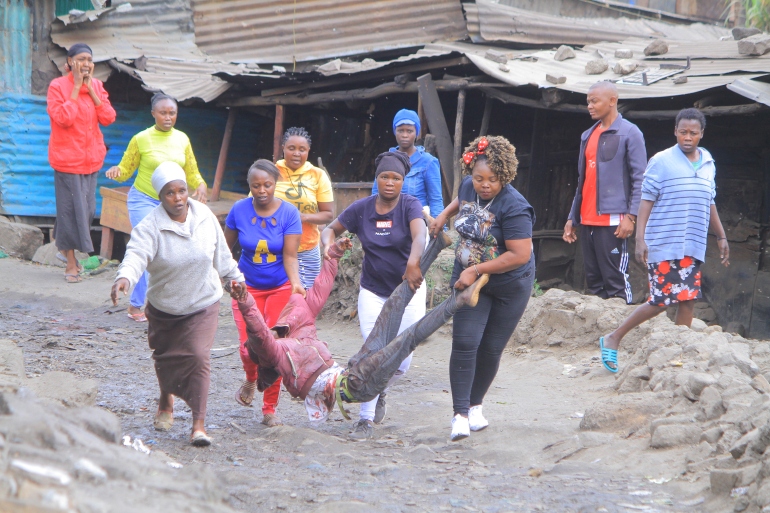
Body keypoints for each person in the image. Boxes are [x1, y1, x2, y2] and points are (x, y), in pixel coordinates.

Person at [230, 232, 488, 428]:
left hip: (353, 368)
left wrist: (333, 255)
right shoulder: (274, 352)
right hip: (354, 386)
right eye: (266, 334)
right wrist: (244, 300)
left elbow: (320, 289)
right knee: (408, 338)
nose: (269, 330)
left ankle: (436, 245)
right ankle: (460, 300)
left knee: (392, 307)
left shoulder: (299, 330)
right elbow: (257, 331)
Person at [111, 162, 244, 447]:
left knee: (198, 356)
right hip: (165, 307)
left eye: (182, 190)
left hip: (203, 301)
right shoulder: (151, 226)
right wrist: (125, 277)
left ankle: (198, 425)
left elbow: (222, 253)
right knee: (165, 358)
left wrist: (235, 277)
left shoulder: (204, 216)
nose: (178, 198)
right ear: (160, 197)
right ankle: (165, 400)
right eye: (169, 193)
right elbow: (135, 255)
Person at [598, 108, 730, 373]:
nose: (688, 137)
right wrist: (640, 238)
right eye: (683, 132)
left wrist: (721, 235)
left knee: (688, 299)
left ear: (701, 134)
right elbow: (646, 200)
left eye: (693, 133)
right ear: (675, 132)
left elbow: (710, 200)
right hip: (664, 241)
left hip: (691, 243)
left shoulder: (707, 161)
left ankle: (679, 355)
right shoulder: (661, 160)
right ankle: (613, 337)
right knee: (662, 299)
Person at [429, 135, 535, 441]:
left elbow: (519, 255)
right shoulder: (468, 186)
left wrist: (475, 269)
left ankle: (475, 406)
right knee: (465, 342)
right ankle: (459, 415)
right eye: (478, 178)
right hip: (469, 277)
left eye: (492, 179)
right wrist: (444, 214)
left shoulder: (514, 207)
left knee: (490, 348)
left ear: (504, 176)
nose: (484, 185)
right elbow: (462, 200)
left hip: (509, 284)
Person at [320, 151, 427, 440]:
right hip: (373, 292)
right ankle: (365, 419)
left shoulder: (410, 205)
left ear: (403, 181)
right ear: (376, 178)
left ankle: (379, 388)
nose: (390, 183)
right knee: (374, 354)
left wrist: (413, 263)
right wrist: (331, 246)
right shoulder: (362, 209)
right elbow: (330, 229)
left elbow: (421, 236)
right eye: (384, 177)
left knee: (401, 360)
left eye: (396, 178)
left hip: (409, 290)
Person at [106, 92, 208, 322]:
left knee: (170, 250)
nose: (168, 117)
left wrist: (200, 185)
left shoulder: (182, 139)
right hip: (144, 198)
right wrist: (116, 172)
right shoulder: (141, 138)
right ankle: (135, 305)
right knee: (146, 245)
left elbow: (191, 171)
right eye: (163, 113)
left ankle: (166, 303)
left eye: (172, 113)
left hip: (171, 203)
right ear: (153, 114)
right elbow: (126, 169)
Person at [224, 159, 303, 427]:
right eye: (256, 185)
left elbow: (290, 256)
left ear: (275, 184)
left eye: (267, 184)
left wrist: (296, 284)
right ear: (250, 186)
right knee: (248, 349)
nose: (262, 190)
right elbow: (225, 251)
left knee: (273, 348)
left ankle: (269, 409)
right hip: (246, 288)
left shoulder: (289, 214)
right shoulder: (238, 210)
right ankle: (250, 378)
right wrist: (225, 278)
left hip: (279, 287)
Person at [563, 81, 647, 304]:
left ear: (612, 101)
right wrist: (573, 217)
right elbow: (583, 181)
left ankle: (622, 333)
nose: (589, 106)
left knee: (616, 281)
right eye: (588, 101)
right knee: (594, 282)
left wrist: (631, 217)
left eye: (594, 101)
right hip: (588, 218)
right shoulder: (587, 135)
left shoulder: (630, 133)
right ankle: (601, 335)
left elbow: (641, 179)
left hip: (614, 219)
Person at [47, 42, 116, 283]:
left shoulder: (97, 85)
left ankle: (65, 248)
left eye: (89, 59)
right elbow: (64, 119)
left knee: (86, 212)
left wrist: (91, 91)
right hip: (66, 161)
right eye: (81, 59)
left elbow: (108, 117)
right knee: (68, 212)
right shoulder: (57, 86)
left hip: (91, 160)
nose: (86, 63)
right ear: (69, 63)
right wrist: (76, 87)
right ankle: (71, 263)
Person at [274, 127, 334, 290]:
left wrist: (303, 217)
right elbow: (253, 206)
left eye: (302, 149)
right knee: (278, 298)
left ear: (308, 151)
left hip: (306, 248)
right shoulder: (271, 172)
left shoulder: (317, 175)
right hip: (274, 248)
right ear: (283, 148)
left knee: (306, 300)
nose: (296, 153)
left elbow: (328, 214)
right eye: (291, 148)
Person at [371, 109, 444, 219]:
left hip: (417, 220)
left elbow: (435, 200)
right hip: (389, 219)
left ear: (416, 133)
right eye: (400, 131)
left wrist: (437, 230)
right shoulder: (386, 160)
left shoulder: (428, 162)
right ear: (395, 131)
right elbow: (375, 195)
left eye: (409, 131)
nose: (405, 135)